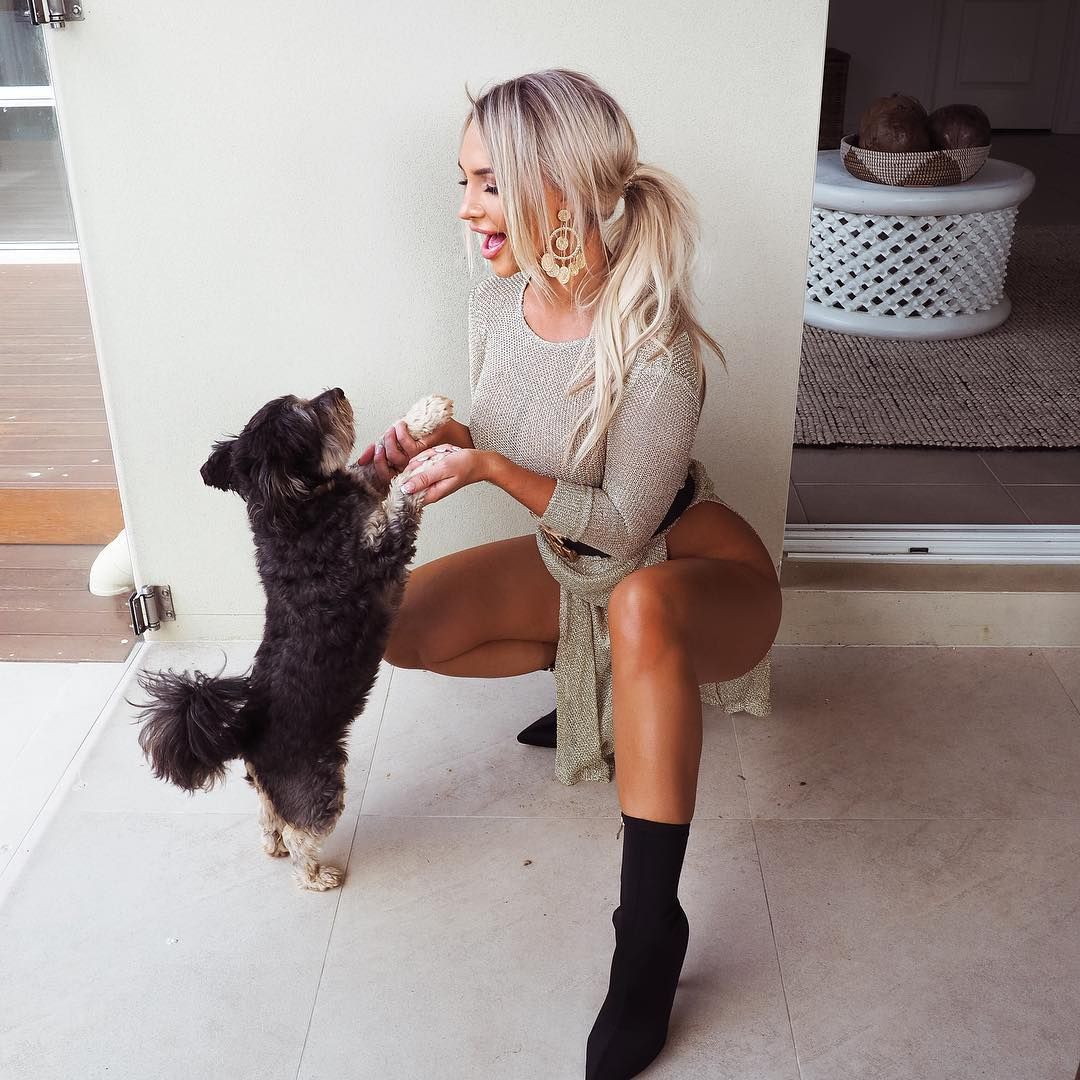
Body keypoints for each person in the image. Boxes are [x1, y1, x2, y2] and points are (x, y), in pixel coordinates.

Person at [355, 69, 782, 1080]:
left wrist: (491, 468)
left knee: (638, 605)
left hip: (688, 566)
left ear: (561, 189)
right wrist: (446, 442)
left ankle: (649, 933)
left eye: (489, 184)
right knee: (393, 626)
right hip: (575, 564)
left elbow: (627, 523)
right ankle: (594, 691)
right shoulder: (496, 308)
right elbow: (523, 434)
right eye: (464, 181)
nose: (467, 208)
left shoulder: (657, 346)